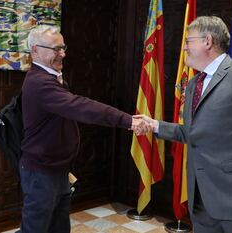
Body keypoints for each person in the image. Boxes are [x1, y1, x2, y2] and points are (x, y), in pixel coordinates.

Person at [135, 16, 232, 233]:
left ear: (207, 41)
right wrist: (155, 125)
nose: (184, 47)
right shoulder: (194, 83)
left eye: (188, 41)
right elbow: (192, 133)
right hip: (201, 200)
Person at [18, 25, 145, 233]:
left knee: (58, 228)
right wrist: (127, 120)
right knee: (35, 229)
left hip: (57, 169)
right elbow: (81, 106)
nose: (63, 54)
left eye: (63, 47)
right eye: (56, 49)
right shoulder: (40, 83)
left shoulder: (52, 77)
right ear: (35, 51)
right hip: (41, 172)